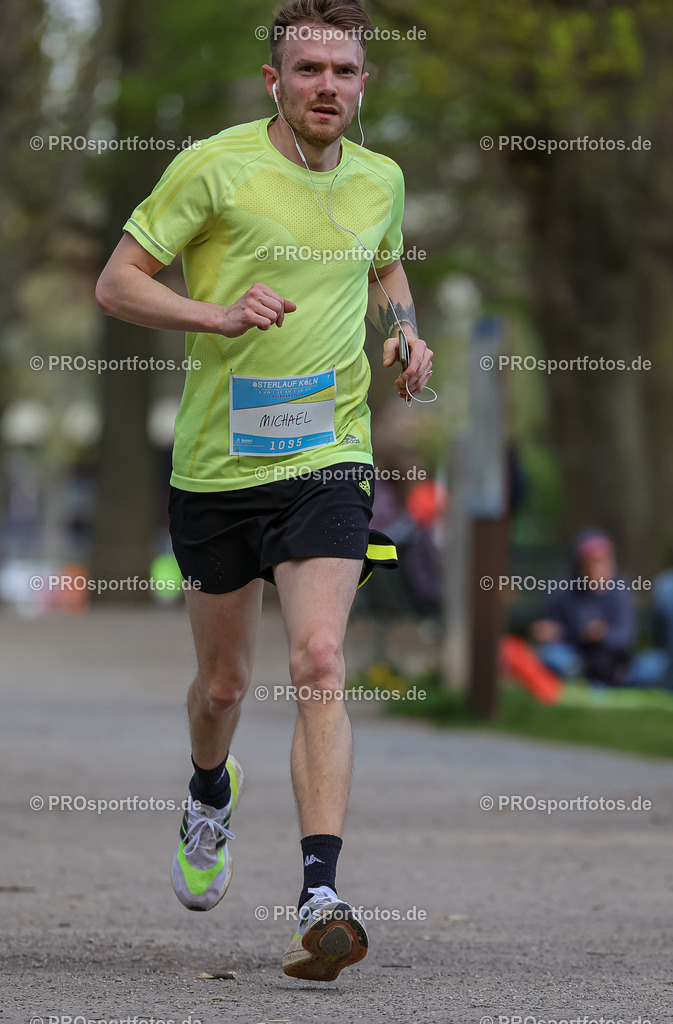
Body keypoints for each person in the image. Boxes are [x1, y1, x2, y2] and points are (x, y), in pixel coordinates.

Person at [95, 0, 433, 982]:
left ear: (364, 84)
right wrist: (214, 312)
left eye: (343, 71)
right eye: (308, 70)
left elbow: (385, 263)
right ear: (273, 80)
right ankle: (210, 788)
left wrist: (403, 335)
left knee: (321, 657)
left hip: (328, 455)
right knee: (223, 687)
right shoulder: (215, 167)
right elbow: (118, 284)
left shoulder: (381, 178)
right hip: (217, 466)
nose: (326, 86)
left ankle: (320, 892)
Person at [531, 529, 635, 687]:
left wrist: (603, 634)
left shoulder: (621, 591)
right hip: (573, 657)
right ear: (579, 564)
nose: (596, 568)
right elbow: (554, 630)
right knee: (551, 655)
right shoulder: (563, 589)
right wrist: (550, 632)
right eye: (591, 561)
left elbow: (626, 637)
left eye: (602, 561)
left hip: (609, 661)